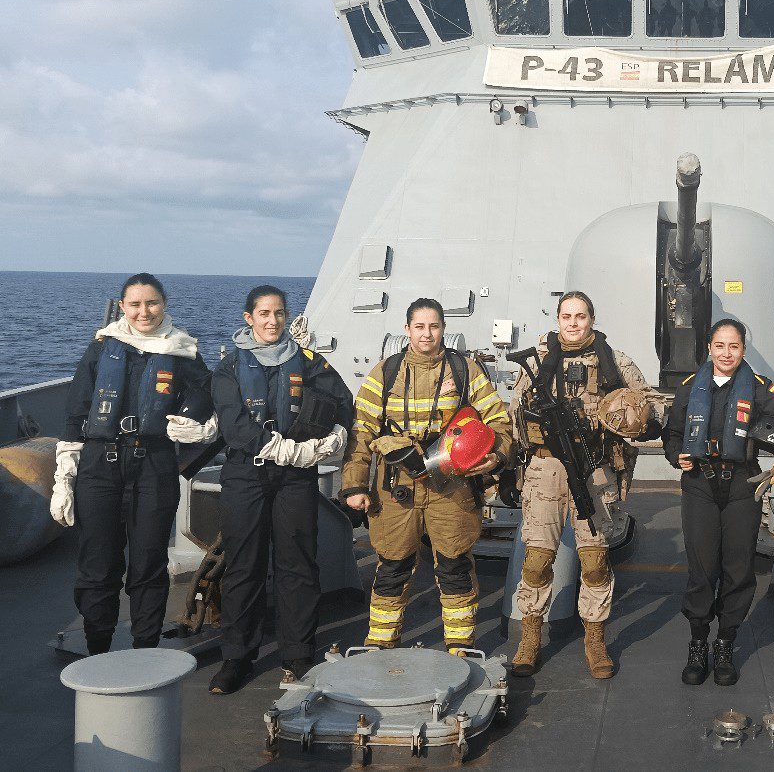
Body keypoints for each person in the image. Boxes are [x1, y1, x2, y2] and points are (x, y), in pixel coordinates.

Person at [55, 273, 215, 654]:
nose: (145, 312)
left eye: (152, 303)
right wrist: (64, 479)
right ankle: (98, 648)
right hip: (99, 467)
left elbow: (209, 404)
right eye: (136, 304)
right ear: (123, 306)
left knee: (148, 563)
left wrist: (201, 430)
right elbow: (76, 415)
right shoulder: (101, 350)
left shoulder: (184, 353)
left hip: (154, 466)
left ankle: (145, 649)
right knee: (98, 563)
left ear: (164, 304)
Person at [340, 298, 511, 654]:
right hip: (395, 487)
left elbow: (498, 421)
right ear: (407, 330)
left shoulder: (465, 371)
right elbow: (362, 431)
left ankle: (460, 644)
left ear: (443, 328)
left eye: (434, 326)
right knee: (393, 566)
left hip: (452, 487)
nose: (427, 334)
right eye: (419, 326)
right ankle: (380, 642)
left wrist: (496, 456)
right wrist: (354, 485)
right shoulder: (385, 373)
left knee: (455, 566)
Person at [208, 284, 353, 695]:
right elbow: (233, 423)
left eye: (279, 313)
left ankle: (298, 653)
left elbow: (343, 403)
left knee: (298, 563)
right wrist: (276, 448)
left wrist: (329, 440)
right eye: (264, 313)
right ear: (248, 318)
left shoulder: (308, 362)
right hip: (246, 474)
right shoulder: (229, 368)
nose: (272, 321)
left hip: (296, 475)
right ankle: (237, 657)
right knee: (244, 565)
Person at [508, 291, 658, 679]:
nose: (573, 323)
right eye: (567, 316)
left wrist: (630, 419)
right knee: (537, 560)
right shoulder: (536, 362)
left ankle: (595, 639)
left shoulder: (615, 362)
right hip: (545, 470)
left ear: (592, 318)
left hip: (595, 469)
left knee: (594, 562)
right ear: (558, 319)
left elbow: (649, 408)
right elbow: (514, 415)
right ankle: (530, 637)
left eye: (581, 316)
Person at [665, 319, 774, 686]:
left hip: (741, 487)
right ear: (709, 348)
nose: (726, 353)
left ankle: (725, 644)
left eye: (733, 346)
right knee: (702, 570)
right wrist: (675, 455)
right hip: (699, 485)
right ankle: (698, 644)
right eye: (719, 346)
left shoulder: (760, 389)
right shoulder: (689, 388)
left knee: (738, 569)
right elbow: (672, 433)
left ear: (743, 350)